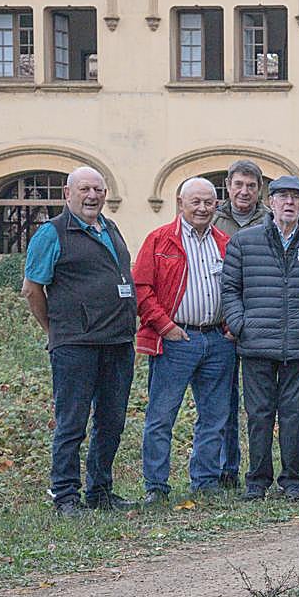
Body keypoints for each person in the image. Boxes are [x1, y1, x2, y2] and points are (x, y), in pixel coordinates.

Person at [22, 166, 136, 516]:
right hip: (76, 344)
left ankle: (100, 491)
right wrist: (54, 330)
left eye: (98, 189)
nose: (92, 196)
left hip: (117, 341)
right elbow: (32, 289)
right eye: (85, 189)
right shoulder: (52, 233)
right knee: (72, 422)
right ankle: (65, 496)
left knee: (111, 421)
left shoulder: (110, 228)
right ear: (68, 194)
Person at [221, 175, 299, 501]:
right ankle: (257, 480)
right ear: (270, 202)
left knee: (294, 416)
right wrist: (240, 323)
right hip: (257, 344)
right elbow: (230, 289)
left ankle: (293, 481)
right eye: (283, 197)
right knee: (258, 415)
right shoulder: (245, 242)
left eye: (296, 198)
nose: (289, 203)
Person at [133, 177, 235, 502]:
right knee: (162, 416)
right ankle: (156, 487)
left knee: (215, 417)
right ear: (180, 203)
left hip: (218, 339)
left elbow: (238, 287)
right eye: (196, 202)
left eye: (209, 202)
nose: (203, 208)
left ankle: (204, 481)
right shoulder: (160, 240)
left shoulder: (225, 243)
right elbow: (142, 288)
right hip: (176, 338)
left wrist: (233, 324)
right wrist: (164, 326)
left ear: (217, 205)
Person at [211, 159, 268, 491]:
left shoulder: (269, 220)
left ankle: (258, 469)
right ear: (228, 186)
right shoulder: (212, 219)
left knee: (258, 404)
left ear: (259, 189)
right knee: (223, 401)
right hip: (222, 326)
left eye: (251, 185)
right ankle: (226, 467)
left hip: (260, 324)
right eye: (238, 185)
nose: (244, 191)